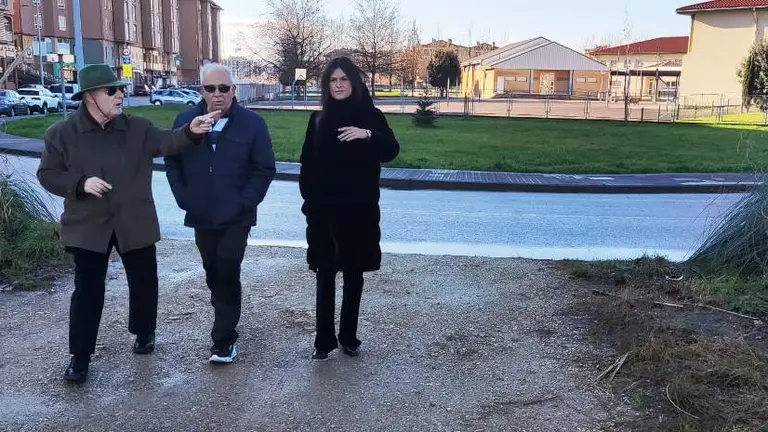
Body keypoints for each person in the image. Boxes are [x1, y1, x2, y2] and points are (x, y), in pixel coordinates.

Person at [36, 64, 220, 383]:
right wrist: (80, 183)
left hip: (134, 219)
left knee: (144, 280)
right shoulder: (61, 134)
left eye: (120, 88)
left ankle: (144, 332)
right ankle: (80, 358)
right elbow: (47, 174)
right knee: (88, 290)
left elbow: (169, 142)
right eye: (112, 90)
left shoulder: (138, 128)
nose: (121, 94)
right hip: (88, 224)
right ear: (90, 96)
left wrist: (193, 130)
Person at [165, 63, 276, 364]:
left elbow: (264, 168)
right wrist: (184, 198)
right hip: (202, 213)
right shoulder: (187, 120)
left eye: (223, 88)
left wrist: (245, 202)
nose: (217, 95)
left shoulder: (252, 124)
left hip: (237, 216)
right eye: (210, 88)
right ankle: (224, 309)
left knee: (227, 268)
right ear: (201, 90)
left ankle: (223, 340)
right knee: (213, 270)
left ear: (233, 90)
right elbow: (172, 161)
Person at [298, 56, 400, 360]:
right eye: (333, 80)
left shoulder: (372, 116)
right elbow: (307, 166)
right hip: (324, 213)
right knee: (325, 274)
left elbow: (391, 151)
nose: (338, 85)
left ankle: (349, 336)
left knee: (354, 275)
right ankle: (323, 341)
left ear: (354, 83)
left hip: (359, 212)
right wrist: (310, 205)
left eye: (344, 79)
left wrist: (367, 134)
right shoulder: (317, 121)